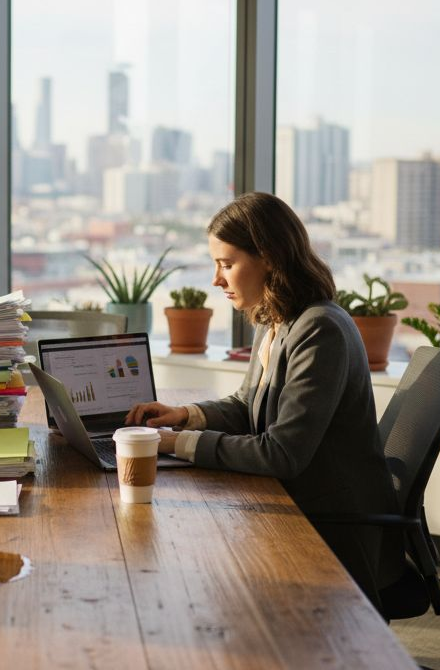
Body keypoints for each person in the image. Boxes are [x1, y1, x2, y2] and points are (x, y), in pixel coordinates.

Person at [124, 192, 401, 610]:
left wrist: (171, 443)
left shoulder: (319, 330)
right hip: (295, 501)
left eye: (227, 264)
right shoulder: (276, 318)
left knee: (190, 576)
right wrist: (185, 416)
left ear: (269, 257)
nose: (216, 279)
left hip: (329, 526)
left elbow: (281, 454)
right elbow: (247, 404)